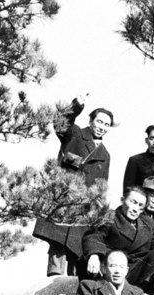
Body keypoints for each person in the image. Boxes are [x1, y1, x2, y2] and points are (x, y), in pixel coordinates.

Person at [33, 94, 114, 276]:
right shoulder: (75, 134)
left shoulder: (105, 154)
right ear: (91, 121)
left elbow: (102, 185)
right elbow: (60, 122)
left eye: (106, 124)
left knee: (77, 250)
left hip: (83, 210)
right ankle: (53, 283)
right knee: (57, 245)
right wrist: (77, 105)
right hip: (63, 201)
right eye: (99, 122)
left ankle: (70, 286)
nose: (102, 127)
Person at [82, 187, 154, 294]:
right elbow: (93, 236)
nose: (136, 209)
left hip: (133, 271)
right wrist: (94, 255)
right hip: (111, 270)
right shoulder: (109, 217)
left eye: (140, 206)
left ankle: (138, 290)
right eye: (133, 202)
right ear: (122, 200)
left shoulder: (147, 222)